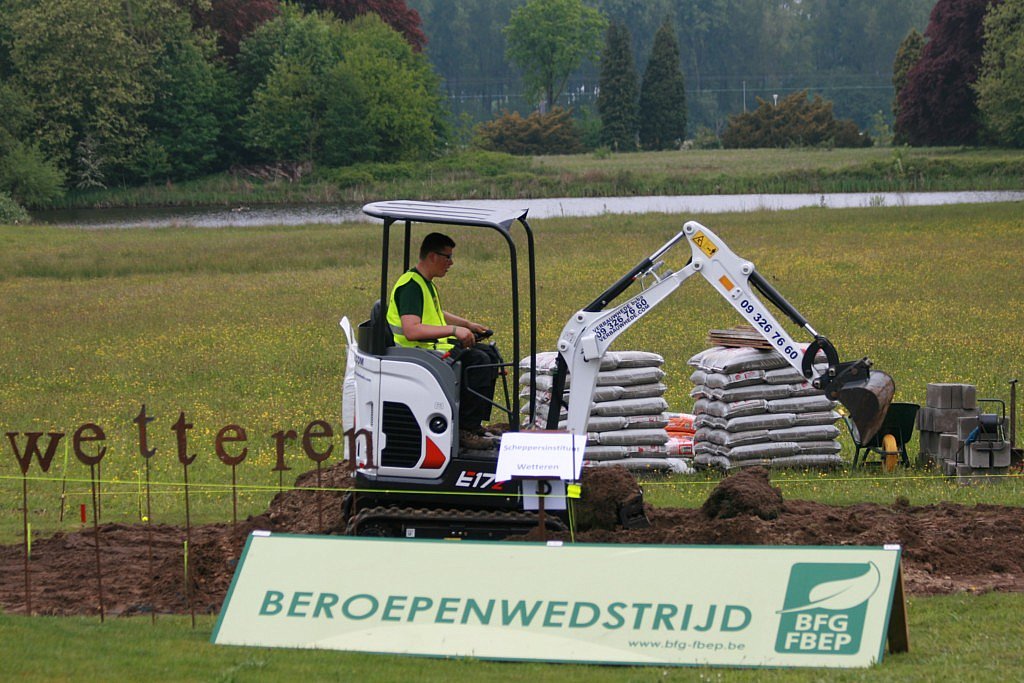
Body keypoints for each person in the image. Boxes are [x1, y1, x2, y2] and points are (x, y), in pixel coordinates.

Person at [386, 232, 501, 449]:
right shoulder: (411, 286)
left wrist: (467, 325)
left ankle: (474, 425)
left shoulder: (423, 283)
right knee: (478, 360)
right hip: (418, 353)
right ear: (432, 256)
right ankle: (465, 430)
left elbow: (438, 312)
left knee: (489, 355)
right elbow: (411, 330)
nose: (451, 263)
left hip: (429, 349)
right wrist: (454, 330)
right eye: (447, 257)